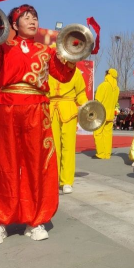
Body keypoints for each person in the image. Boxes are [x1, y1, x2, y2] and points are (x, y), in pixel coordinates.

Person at [0, 4, 77, 245]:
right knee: (4, 163)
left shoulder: (46, 50)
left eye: (35, 17)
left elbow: (62, 75)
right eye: (26, 18)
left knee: (37, 163)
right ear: (14, 25)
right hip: (6, 108)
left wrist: (73, 55)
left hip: (36, 110)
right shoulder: (4, 47)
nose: (32, 21)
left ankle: (36, 220)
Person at [49, 65, 88, 194]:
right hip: (50, 110)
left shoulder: (75, 71)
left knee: (68, 146)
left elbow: (80, 93)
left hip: (69, 109)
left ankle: (66, 181)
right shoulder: (47, 69)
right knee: (52, 147)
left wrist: (86, 106)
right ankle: (52, 179)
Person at [93, 69, 120, 159]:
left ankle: (100, 153)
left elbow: (97, 101)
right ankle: (107, 154)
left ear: (108, 74)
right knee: (108, 134)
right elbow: (116, 102)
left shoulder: (103, 86)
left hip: (101, 113)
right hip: (111, 114)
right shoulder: (117, 89)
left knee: (98, 133)